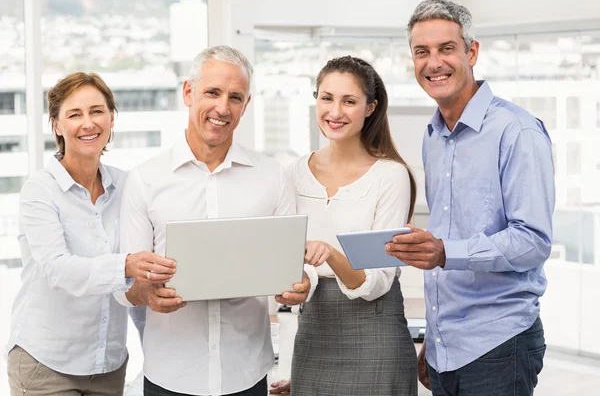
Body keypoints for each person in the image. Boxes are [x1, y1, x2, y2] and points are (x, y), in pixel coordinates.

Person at [118, 45, 311, 396]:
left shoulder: (273, 177)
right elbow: (127, 286)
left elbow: (291, 273)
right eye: (212, 92)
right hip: (170, 376)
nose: (223, 108)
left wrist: (297, 287)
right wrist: (147, 292)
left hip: (247, 374)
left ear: (246, 105)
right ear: (189, 92)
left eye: (235, 97)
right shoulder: (145, 180)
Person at [385, 0, 555, 396]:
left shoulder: (517, 132)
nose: (433, 63)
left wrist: (445, 252)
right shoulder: (433, 136)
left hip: (501, 345)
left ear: (471, 51)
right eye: (421, 52)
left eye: (446, 48)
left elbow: (533, 242)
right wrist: (436, 333)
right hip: (447, 345)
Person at [6, 72, 176, 396]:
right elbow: (58, 270)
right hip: (45, 366)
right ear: (56, 125)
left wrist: (154, 351)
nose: (88, 123)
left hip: (109, 366)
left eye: (97, 111)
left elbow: (139, 283)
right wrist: (125, 265)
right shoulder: (40, 191)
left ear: (112, 118)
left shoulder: (129, 186)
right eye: (75, 114)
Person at [283, 56, 418, 396]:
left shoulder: (390, 176)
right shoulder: (295, 172)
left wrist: (330, 254)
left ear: (370, 107)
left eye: (349, 101)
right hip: (314, 331)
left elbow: (377, 282)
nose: (335, 112)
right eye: (326, 98)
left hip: (375, 334)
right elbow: (290, 260)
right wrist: (297, 279)